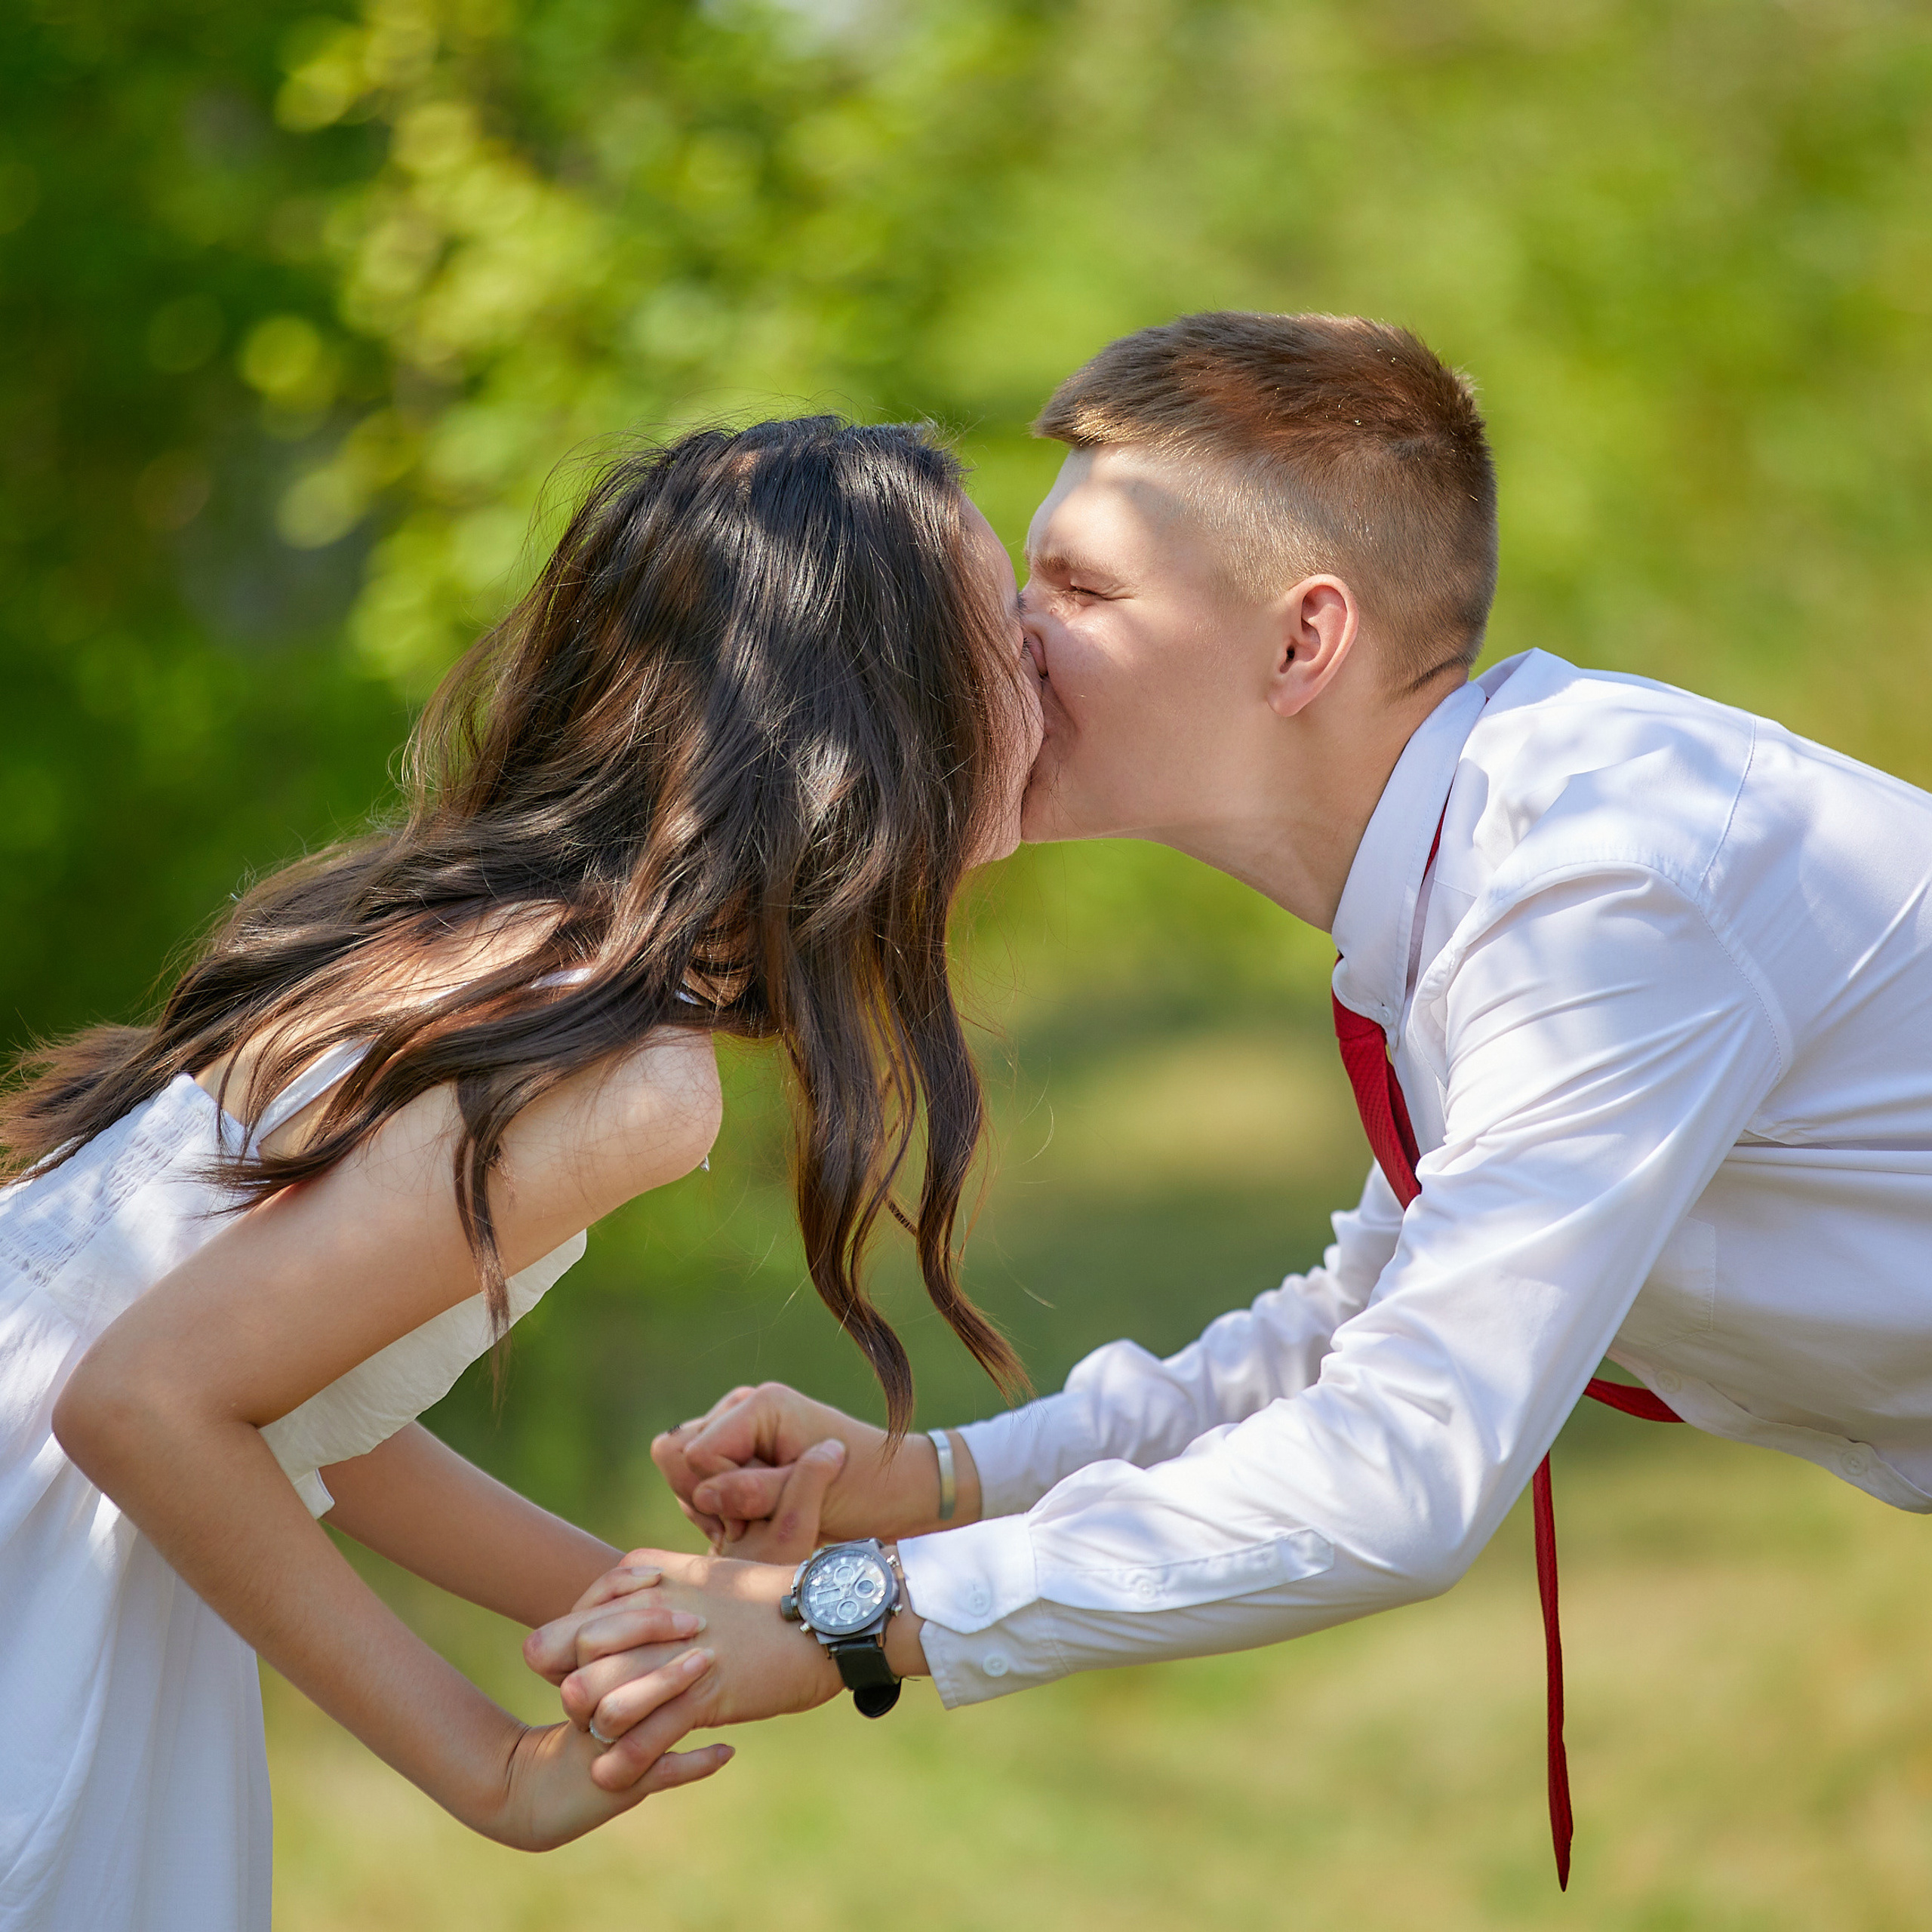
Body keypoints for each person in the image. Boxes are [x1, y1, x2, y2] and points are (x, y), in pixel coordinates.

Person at [530, 311, 1932, 1887]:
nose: (1005, 639)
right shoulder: (1479, 873)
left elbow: (1399, 1468)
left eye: (1075, 589)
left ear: (1296, 643)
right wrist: (928, 1485)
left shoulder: (1600, 887)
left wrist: (847, 1618)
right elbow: (1358, 1320)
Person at [0, 415, 1041, 1930]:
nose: (1041, 668)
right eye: (1001, 634)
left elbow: (291, 1397)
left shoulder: (520, 941)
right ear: (875, 722)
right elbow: (144, 1400)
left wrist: (634, 1597)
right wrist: (490, 1767)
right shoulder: (631, 1075)